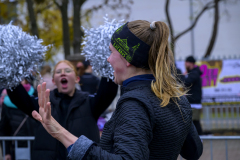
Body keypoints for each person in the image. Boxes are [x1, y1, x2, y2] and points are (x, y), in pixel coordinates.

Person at [32, 21, 203, 160]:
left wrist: (60, 133)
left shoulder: (136, 103)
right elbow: (194, 151)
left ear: (127, 58)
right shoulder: (177, 98)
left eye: (111, 52)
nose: (108, 59)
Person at [7, 60, 118, 160]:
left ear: (77, 79)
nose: (63, 73)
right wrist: (8, 68)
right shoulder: (43, 103)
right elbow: (18, 97)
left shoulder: (90, 102)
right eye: (58, 71)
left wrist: (107, 61)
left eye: (68, 70)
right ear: (53, 80)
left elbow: (108, 91)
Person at [0, 79, 38, 160]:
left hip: (36, 145)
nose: (20, 81)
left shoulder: (36, 95)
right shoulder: (7, 102)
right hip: (18, 146)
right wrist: (6, 152)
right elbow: (4, 129)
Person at [184, 56, 203, 135]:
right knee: (194, 121)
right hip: (192, 101)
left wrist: (182, 76)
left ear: (191, 63)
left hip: (194, 102)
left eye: (186, 62)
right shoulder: (192, 73)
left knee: (194, 122)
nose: (185, 64)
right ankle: (199, 137)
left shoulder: (194, 73)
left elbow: (186, 83)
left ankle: (200, 137)